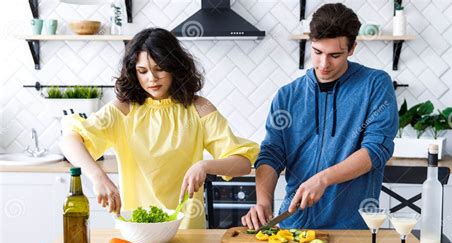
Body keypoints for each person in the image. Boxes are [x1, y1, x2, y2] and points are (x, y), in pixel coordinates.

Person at [61, 28, 259, 229]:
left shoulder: (200, 108)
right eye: (143, 71)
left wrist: (205, 166)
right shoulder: (123, 110)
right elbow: (69, 140)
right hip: (137, 230)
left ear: (175, 67)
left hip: (187, 232)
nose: (152, 78)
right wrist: (98, 177)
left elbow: (242, 163)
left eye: (160, 68)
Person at [242, 3, 398, 230]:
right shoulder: (288, 95)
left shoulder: (374, 84)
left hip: (352, 228)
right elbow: (272, 154)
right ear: (310, 43)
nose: (324, 64)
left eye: (335, 55)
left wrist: (323, 179)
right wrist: (263, 202)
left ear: (352, 48)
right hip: (293, 226)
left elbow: (376, 149)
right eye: (317, 52)